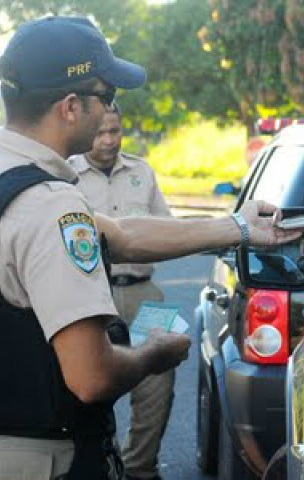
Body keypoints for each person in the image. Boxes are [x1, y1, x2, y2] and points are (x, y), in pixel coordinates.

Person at [0, 16, 300, 480]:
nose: (109, 112)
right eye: (107, 97)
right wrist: (152, 355)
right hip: (40, 462)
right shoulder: (48, 208)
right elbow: (92, 376)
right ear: (69, 107)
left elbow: (120, 236)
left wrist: (239, 227)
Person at [68, 103, 174, 480]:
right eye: (100, 132)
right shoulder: (67, 177)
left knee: (159, 385)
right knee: (91, 386)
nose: (108, 140)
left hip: (147, 292)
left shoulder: (141, 172)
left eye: (115, 131)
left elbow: (166, 230)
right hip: (94, 297)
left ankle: (140, 471)